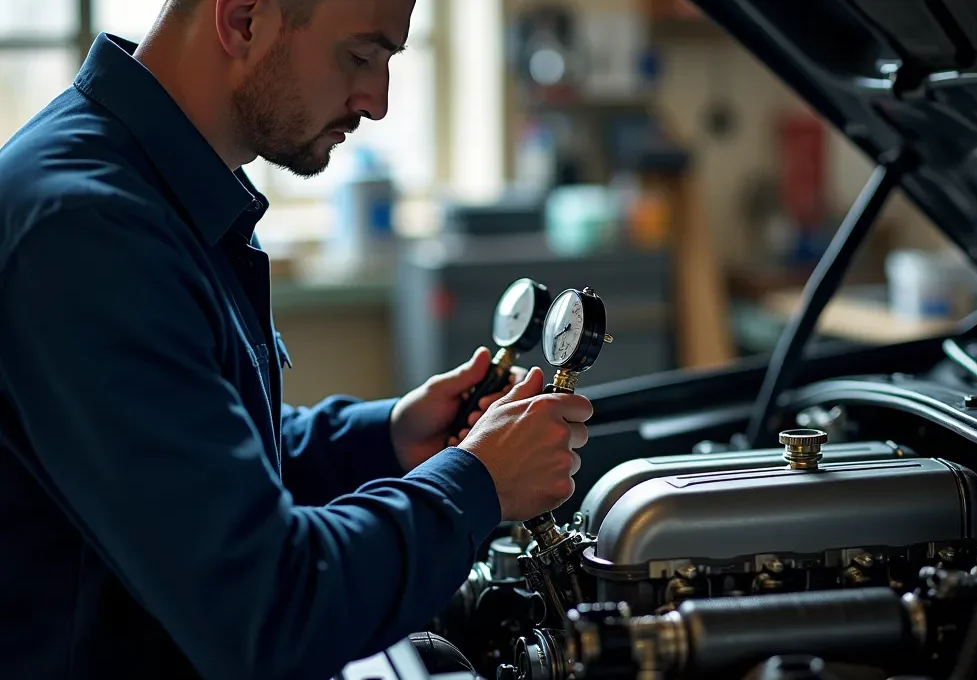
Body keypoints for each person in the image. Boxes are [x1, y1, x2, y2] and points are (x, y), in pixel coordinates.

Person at [0, 1, 594, 679]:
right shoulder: (88, 232)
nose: (378, 103)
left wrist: (388, 439)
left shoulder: (162, 189)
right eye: (361, 56)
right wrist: (477, 484)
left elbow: (202, 460)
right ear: (244, 18)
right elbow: (269, 610)